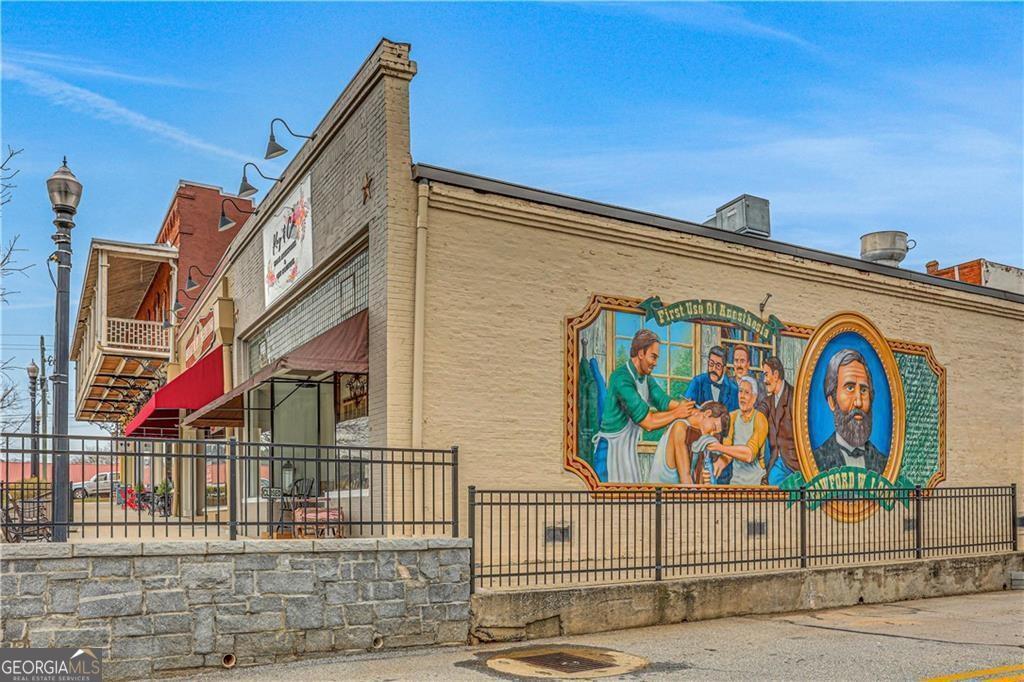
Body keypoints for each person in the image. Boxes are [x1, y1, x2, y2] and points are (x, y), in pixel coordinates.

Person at [594, 329, 696, 484]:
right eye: (653, 357)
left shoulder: (646, 378)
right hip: (609, 453)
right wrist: (678, 412)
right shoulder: (622, 378)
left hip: (627, 452)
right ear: (641, 353)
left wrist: (690, 409)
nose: (655, 363)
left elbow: (663, 401)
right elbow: (648, 422)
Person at [812, 349, 888, 474]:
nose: (858, 402)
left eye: (863, 390)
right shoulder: (817, 460)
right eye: (850, 388)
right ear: (832, 401)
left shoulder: (883, 463)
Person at [646, 401, 730, 485]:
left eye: (714, 434)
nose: (711, 434)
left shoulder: (699, 437)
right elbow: (685, 479)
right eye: (714, 427)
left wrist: (705, 480)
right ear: (707, 413)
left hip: (679, 491)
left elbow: (696, 481)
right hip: (660, 491)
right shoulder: (679, 428)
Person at [707, 376, 770, 486]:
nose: (742, 396)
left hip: (757, 482)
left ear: (754, 397)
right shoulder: (732, 417)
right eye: (740, 391)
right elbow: (727, 455)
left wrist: (719, 447)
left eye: (747, 393)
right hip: (736, 482)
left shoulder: (760, 419)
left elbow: (749, 455)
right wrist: (716, 467)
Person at [762, 356, 799, 486]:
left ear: (776, 375)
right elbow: (759, 413)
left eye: (766, 375)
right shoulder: (768, 401)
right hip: (776, 461)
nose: (764, 380)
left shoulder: (795, 398)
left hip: (794, 463)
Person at [685, 345, 739, 411]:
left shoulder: (733, 389)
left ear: (724, 368)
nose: (713, 369)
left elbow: (736, 414)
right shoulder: (697, 382)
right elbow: (687, 409)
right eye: (711, 363)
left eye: (718, 366)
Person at [731, 344, 768, 414]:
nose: (739, 365)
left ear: (748, 364)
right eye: (736, 361)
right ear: (733, 363)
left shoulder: (759, 385)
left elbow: (764, 409)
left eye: (742, 361)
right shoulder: (727, 383)